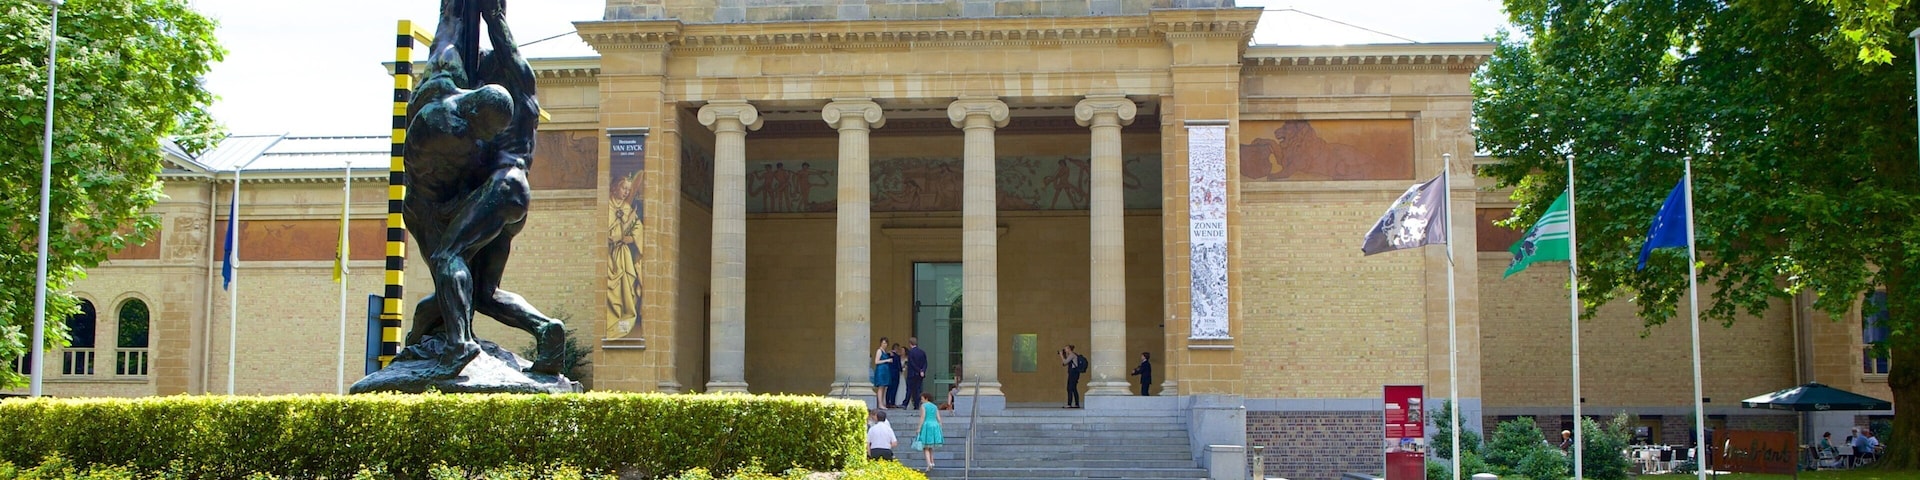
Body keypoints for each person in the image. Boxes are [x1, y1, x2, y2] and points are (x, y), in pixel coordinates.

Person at [401, 0, 564, 379]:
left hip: (499, 188)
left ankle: (459, 345)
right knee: (482, 293)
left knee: (447, 259)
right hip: (514, 195)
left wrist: (489, 15)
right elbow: (512, 55)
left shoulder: (461, 113)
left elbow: (455, 30)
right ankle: (545, 329)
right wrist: (495, 18)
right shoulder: (524, 99)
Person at [915, 393, 945, 471]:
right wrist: (940, 426)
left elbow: (923, 417)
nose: (921, 401)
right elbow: (938, 418)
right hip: (935, 425)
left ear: (926, 398)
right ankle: (932, 461)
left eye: (922, 399)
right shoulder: (935, 406)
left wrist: (919, 428)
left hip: (927, 425)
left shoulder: (923, 406)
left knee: (925, 447)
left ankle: (929, 463)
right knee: (930, 446)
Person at [872, 338, 896, 408]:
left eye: (885, 343)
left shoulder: (884, 351)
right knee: (881, 387)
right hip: (881, 371)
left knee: (883, 387)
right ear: (881, 343)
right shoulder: (879, 351)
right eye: (883, 343)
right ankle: (880, 404)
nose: (884, 344)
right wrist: (887, 360)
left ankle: (882, 403)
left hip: (885, 371)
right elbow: (876, 361)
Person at [906, 337, 928, 410]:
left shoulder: (910, 352)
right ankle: (917, 404)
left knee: (909, 389)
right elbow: (925, 363)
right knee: (918, 389)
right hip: (920, 375)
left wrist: (919, 370)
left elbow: (912, 363)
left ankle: (905, 404)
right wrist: (922, 371)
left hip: (912, 374)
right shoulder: (922, 352)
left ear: (910, 344)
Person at [887, 344, 906, 408]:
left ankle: (887, 402)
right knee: (894, 389)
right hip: (895, 374)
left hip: (889, 374)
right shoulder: (897, 356)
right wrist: (901, 369)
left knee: (889, 389)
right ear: (896, 348)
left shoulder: (888, 355)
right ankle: (892, 403)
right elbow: (899, 366)